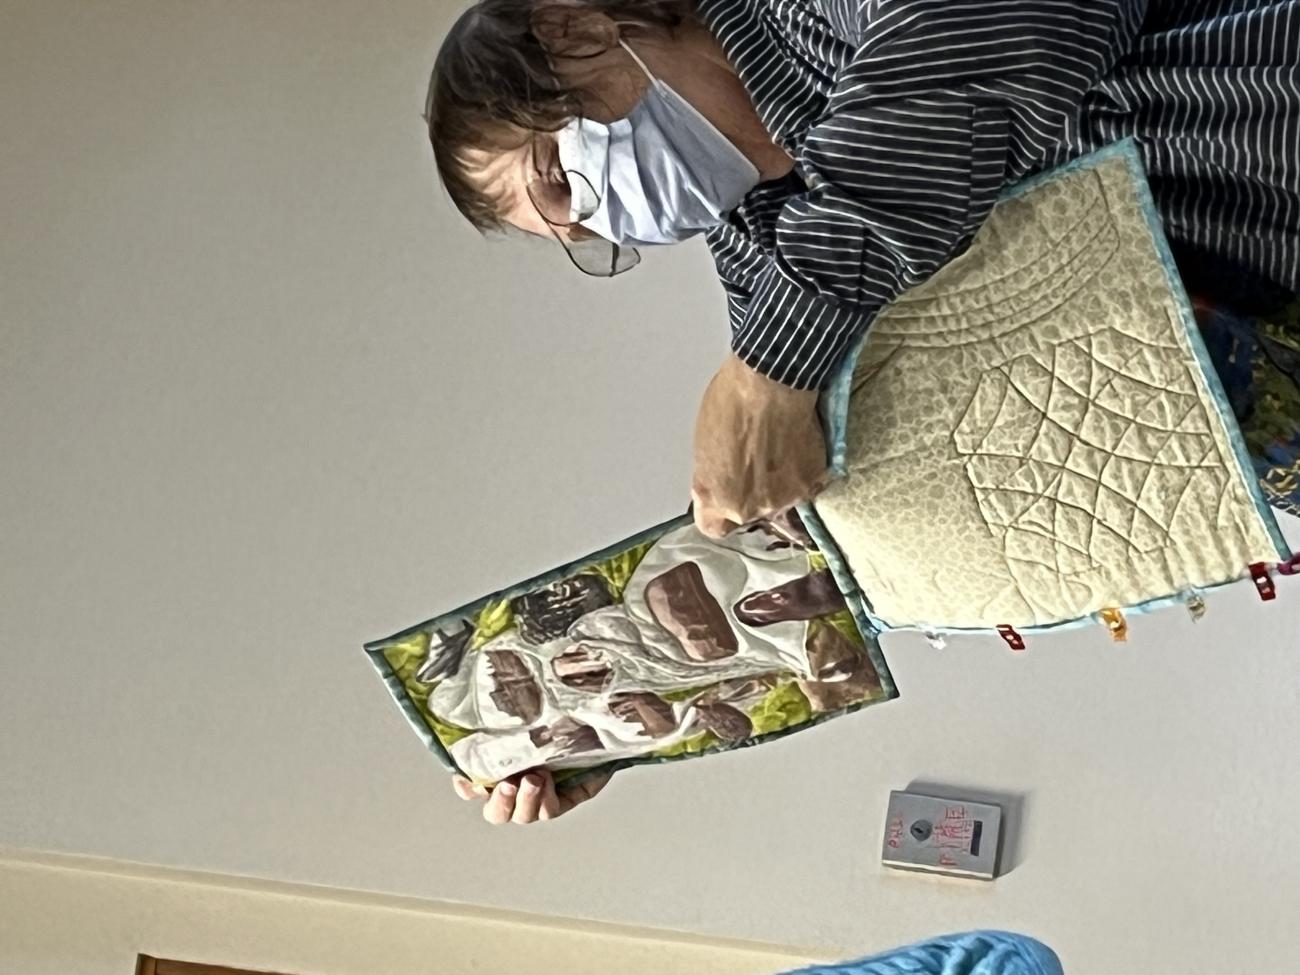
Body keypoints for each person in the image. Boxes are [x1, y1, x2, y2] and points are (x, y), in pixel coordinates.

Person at [427, 0, 1300, 822]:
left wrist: (774, 367)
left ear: (573, 25)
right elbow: (857, 506)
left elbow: (979, 38)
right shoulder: (758, 253)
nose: (616, 218)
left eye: (562, 179)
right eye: (590, 234)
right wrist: (616, 717)